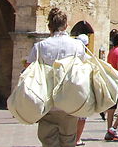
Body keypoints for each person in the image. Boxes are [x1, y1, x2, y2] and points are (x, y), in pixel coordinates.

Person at [28, 8, 87, 147]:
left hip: (47, 102)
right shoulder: (77, 45)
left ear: (49, 26)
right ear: (66, 25)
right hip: (70, 102)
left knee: (48, 141)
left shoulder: (40, 46)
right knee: (68, 140)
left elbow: (30, 70)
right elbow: (84, 68)